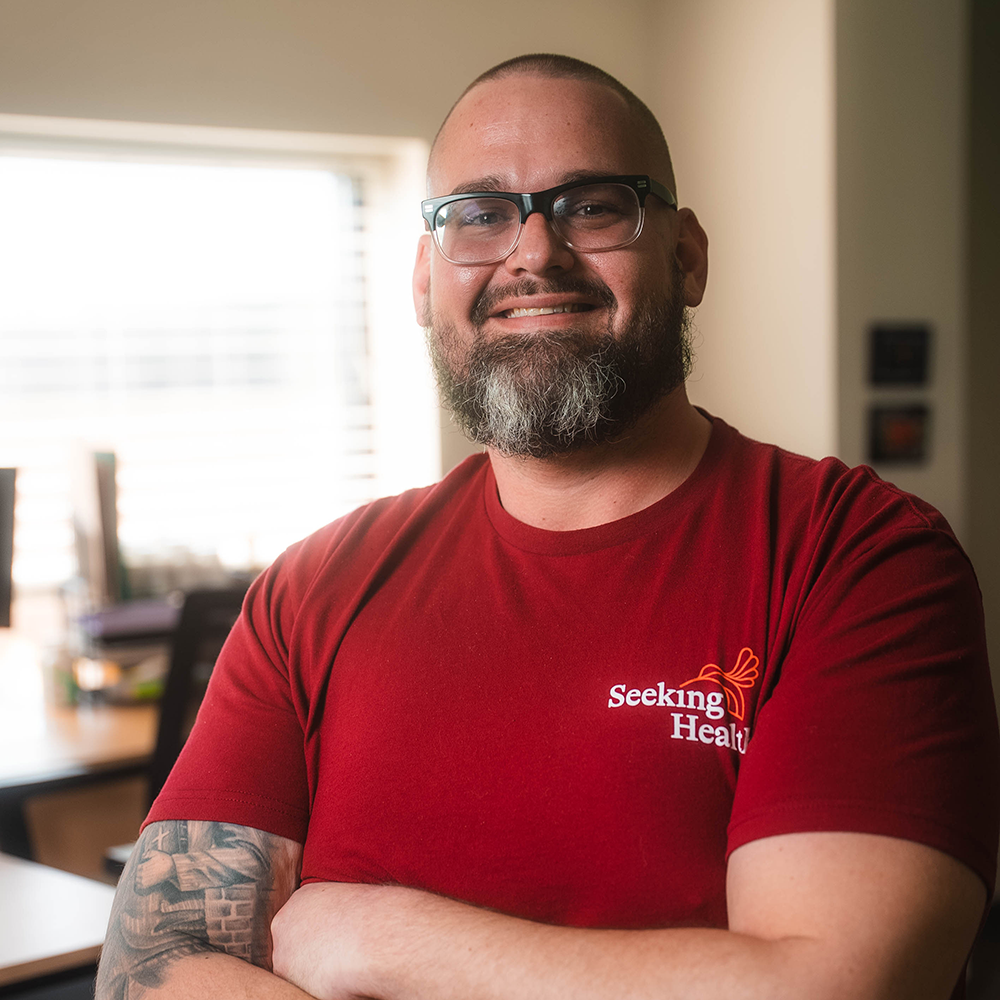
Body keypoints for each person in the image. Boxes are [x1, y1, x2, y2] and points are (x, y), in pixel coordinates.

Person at [97, 54, 1000, 1000]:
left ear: (687, 257)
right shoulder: (311, 590)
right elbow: (149, 965)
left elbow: (833, 987)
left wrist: (384, 936)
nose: (534, 253)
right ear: (424, 281)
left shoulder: (857, 557)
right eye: (479, 215)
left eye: (593, 205)